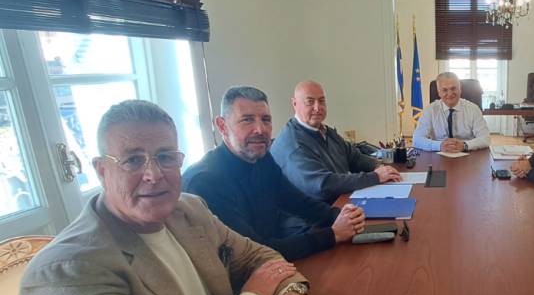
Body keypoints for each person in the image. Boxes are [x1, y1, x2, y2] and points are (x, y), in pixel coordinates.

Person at [18, 100, 321, 295]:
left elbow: (258, 256)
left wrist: (289, 294)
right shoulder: (65, 274)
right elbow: (258, 283)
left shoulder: (188, 209)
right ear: (101, 171)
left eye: (165, 157)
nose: (153, 175)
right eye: (133, 160)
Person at [183, 86, 366, 261]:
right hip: (243, 273)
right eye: (247, 120)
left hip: (272, 260)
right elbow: (254, 251)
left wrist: (341, 216)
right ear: (222, 126)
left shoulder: (261, 158)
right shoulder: (206, 181)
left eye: (266, 120)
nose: (260, 130)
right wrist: (333, 234)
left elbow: (296, 201)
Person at [270, 81, 401, 204]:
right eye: (310, 102)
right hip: (315, 215)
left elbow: (354, 157)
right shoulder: (293, 145)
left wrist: (377, 167)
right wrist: (375, 177)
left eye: (321, 101)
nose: (317, 107)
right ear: (294, 104)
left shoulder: (325, 131)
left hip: (341, 201)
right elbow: (323, 185)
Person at [412, 72, 491, 152]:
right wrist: (439, 145)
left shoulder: (473, 109)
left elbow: (486, 138)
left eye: (453, 88)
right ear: (439, 92)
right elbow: (416, 139)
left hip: (468, 153)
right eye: (444, 90)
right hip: (439, 154)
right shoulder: (430, 110)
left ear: (460, 89)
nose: (450, 94)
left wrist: (465, 145)